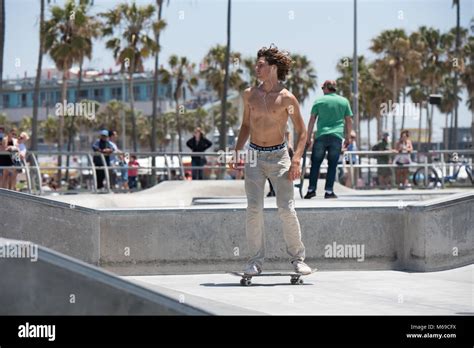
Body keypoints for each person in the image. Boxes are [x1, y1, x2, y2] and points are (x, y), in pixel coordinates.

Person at [231, 45, 311, 276]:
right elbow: (246, 125)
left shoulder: (287, 99)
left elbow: (302, 132)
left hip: (279, 157)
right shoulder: (249, 95)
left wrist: (296, 160)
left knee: (286, 209)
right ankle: (255, 262)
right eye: (256, 64)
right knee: (254, 209)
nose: (257, 68)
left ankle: (298, 259)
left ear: (273, 68)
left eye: (261, 65)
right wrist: (237, 151)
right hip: (254, 155)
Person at [304, 80, 353, 199]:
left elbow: (312, 120)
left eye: (322, 88)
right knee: (332, 164)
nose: (322, 91)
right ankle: (329, 191)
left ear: (326, 88)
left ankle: (311, 190)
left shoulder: (319, 101)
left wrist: (308, 137)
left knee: (315, 164)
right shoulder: (343, 101)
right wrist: (348, 137)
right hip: (336, 137)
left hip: (321, 136)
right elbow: (348, 120)